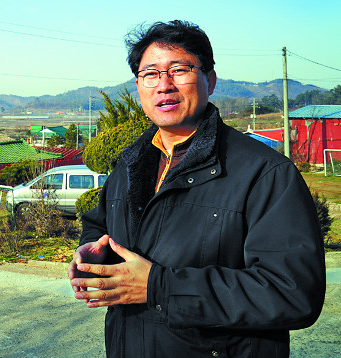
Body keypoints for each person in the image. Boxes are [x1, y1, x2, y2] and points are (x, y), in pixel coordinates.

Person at [68, 20, 326, 357]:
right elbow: (99, 223)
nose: (164, 85)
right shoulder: (129, 165)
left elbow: (293, 293)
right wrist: (92, 249)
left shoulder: (264, 172)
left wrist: (159, 286)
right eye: (151, 74)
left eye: (179, 70)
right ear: (137, 86)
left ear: (210, 80)